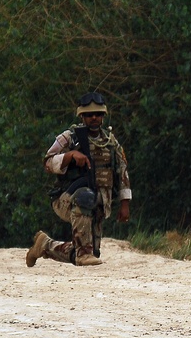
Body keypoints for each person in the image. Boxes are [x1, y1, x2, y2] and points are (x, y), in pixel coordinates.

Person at [27, 91, 132, 267]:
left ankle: (45, 245)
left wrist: (125, 203)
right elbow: (48, 162)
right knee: (85, 197)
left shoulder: (110, 141)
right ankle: (83, 254)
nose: (94, 118)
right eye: (89, 114)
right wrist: (70, 155)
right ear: (81, 116)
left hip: (100, 202)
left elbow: (122, 171)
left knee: (91, 252)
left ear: (103, 116)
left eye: (98, 114)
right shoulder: (70, 137)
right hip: (68, 199)